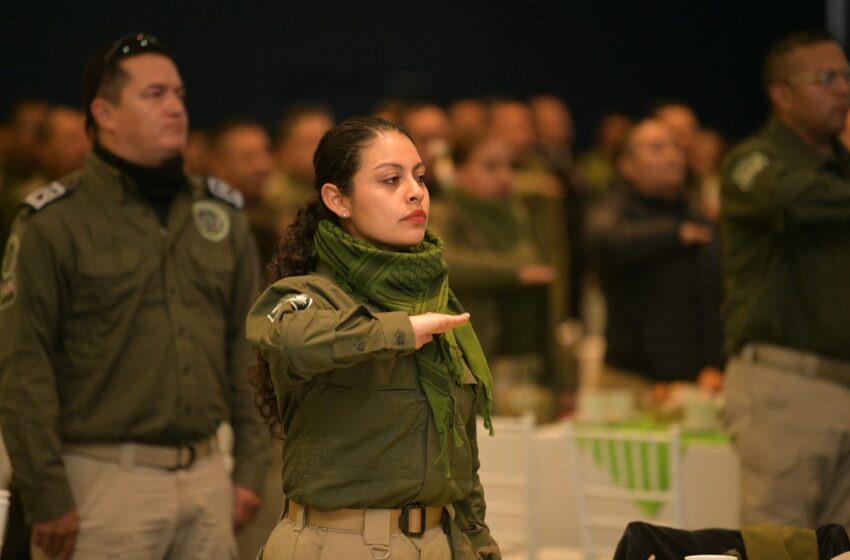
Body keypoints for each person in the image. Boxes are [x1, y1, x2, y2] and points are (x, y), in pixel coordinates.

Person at [0, 32, 269, 559]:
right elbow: (21, 368)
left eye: (180, 94)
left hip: (207, 476)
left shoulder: (219, 215)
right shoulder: (55, 222)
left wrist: (250, 469)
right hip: (101, 481)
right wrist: (47, 492)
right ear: (105, 112)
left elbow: (248, 351)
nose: (176, 107)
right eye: (154, 95)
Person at [246, 116, 501, 560]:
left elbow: (458, 446)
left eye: (419, 177)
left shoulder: (434, 296)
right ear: (338, 200)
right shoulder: (307, 293)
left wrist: (479, 538)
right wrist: (399, 331)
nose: (415, 191)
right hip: (338, 542)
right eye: (390, 180)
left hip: (441, 539)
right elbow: (285, 335)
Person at [720, 29, 850, 531]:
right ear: (782, 95)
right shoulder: (751, 163)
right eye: (825, 78)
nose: (842, 89)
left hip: (841, 380)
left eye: (845, 76)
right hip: (788, 384)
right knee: (783, 543)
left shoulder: (840, 170)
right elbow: (794, 200)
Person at [586, 119, 725, 403]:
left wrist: (717, 362)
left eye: (675, 146)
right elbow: (605, 242)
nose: (672, 156)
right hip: (629, 381)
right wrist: (675, 235)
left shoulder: (693, 213)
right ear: (627, 164)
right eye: (656, 148)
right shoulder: (614, 209)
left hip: (692, 384)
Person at [428, 132, 558, 416]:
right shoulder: (442, 213)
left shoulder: (518, 216)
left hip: (530, 360)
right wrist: (515, 273)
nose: (504, 176)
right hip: (476, 358)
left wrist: (559, 375)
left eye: (509, 166)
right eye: (490, 166)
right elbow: (442, 261)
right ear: (459, 171)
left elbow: (545, 288)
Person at [263, 104, 334, 236]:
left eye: (326, 139)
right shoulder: (273, 194)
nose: (322, 148)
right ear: (284, 149)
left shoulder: (338, 186)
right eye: (309, 142)